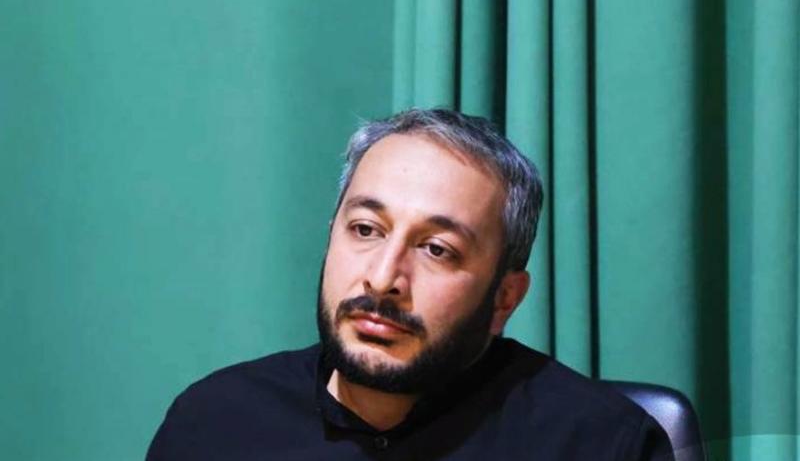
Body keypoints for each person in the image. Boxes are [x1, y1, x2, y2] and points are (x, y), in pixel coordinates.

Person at [146, 109, 674, 460]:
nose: (383, 278)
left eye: (436, 250)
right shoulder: (215, 422)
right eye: (365, 230)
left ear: (504, 298)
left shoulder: (600, 443)